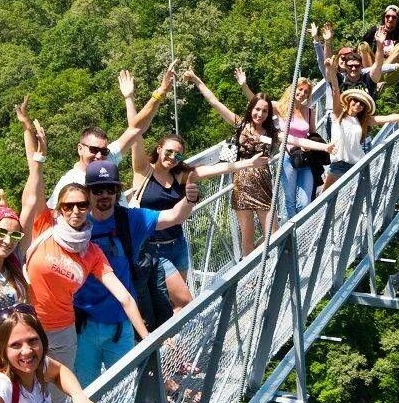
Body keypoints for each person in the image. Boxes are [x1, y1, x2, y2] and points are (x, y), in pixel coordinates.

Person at [20, 131, 148, 371]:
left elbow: (125, 297)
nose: (75, 211)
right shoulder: (46, 225)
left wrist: (147, 337)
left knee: (63, 399)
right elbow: (32, 194)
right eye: (68, 206)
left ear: (88, 206)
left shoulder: (92, 252)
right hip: (30, 327)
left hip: (64, 333)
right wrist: (39, 157)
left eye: (81, 205)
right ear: (59, 209)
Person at [71, 158, 197, 385]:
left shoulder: (129, 220)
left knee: (124, 394)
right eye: (98, 190)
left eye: (110, 189)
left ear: (118, 191)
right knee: (87, 392)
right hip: (83, 324)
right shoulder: (75, 222)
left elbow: (174, 216)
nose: (104, 195)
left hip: (121, 322)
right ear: (88, 192)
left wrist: (188, 199)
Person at [129, 119, 270, 310]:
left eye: (177, 156)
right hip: (153, 249)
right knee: (184, 299)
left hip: (177, 243)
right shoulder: (143, 171)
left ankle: (175, 340)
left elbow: (213, 170)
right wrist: (131, 97)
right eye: (168, 151)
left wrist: (248, 163)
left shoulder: (178, 175)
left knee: (175, 303)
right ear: (159, 148)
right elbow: (135, 132)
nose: (172, 157)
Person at [190, 71, 289, 255]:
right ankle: (250, 282)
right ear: (251, 109)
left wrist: (324, 148)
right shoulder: (240, 125)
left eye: (265, 111)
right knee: (247, 239)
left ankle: (269, 271)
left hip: (264, 186)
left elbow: (296, 141)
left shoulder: (272, 134)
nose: (260, 114)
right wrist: (197, 80)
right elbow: (215, 102)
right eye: (257, 109)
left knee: (275, 234)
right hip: (242, 185)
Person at [49, 67, 174, 206]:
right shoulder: (70, 182)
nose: (99, 156)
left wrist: (158, 93)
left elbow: (136, 129)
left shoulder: (107, 159)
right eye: (93, 150)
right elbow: (50, 217)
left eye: (103, 151)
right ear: (80, 148)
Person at [325, 87, 399, 186]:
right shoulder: (339, 114)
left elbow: (388, 118)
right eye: (356, 100)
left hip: (356, 164)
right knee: (325, 197)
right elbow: (335, 90)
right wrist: (332, 74)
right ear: (349, 100)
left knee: (348, 199)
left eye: (362, 104)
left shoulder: (363, 120)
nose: (358, 104)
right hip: (338, 163)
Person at [276, 77, 334, 220]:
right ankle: (289, 236)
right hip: (288, 157)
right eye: (300, 89)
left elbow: (313, 133)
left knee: (304, 201)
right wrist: (245, 85)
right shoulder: (280, 107)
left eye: (306, 92)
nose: (302, 93)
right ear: (293, 89)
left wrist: (311, 145)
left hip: (304, 157)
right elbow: (257, 103)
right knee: (290, 201)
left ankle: (300, 232)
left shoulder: (308, 111)